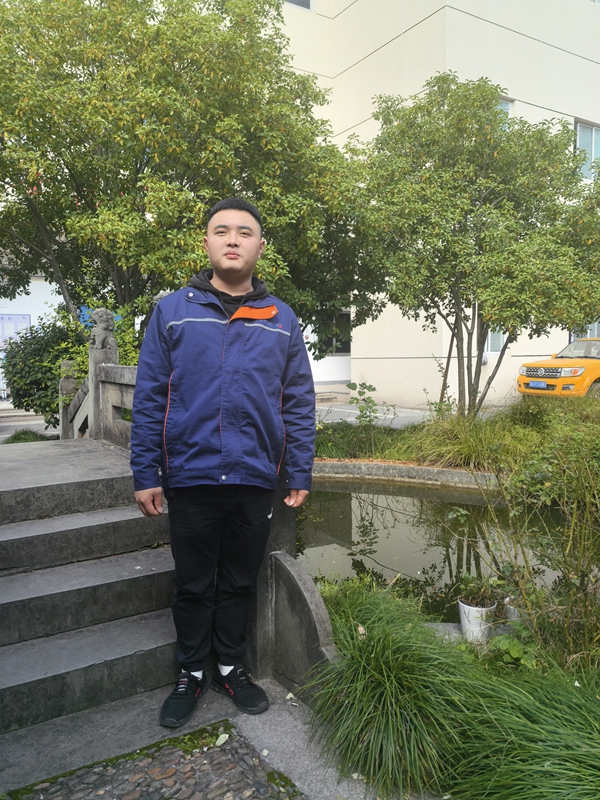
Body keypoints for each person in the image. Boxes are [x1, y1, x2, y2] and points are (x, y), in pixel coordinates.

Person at [130, 197, 315, 728]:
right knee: (193, 583)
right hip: (190, 476)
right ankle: (190, 671)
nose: (233, 239)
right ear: (207, 242)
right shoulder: (173, 311)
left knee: (238, 581)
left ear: (260, 246)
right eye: (222, 230)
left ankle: (232, 667)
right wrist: (146, 472)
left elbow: (298, 401)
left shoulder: (281, 318)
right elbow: (150, 397)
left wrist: (298, 469)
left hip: (254, 478)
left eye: (244, 232)